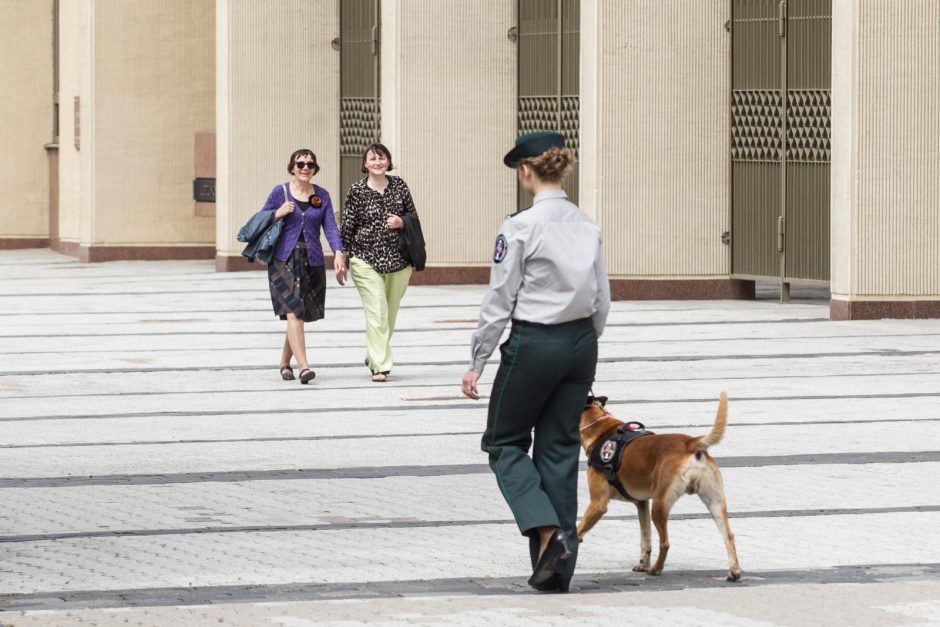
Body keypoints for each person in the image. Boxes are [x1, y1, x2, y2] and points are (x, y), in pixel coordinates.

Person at [461, 131, 611, 593]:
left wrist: (478, 359)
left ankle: (547, 531)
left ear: (526, 171)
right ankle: (556, 574)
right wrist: (583, 342)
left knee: (503, 442)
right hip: (581, 342)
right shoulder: (587, 225)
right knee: (560, 451)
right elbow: (602, 298)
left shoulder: (520, 227)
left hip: (535, 341)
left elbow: (499, 299)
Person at [261, 148, 345, 384]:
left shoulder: (322, 196)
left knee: (297, 313)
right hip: (283, 259)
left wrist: (338, 252)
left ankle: (284, 363)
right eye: (300, 164)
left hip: (312, 259)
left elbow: (330, 227)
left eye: (310, 164)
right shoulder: (281, 192)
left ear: (315, 169)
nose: (305, 168)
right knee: (294, 310)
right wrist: (278, 213)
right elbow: (261, 218)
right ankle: (304, 367)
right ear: (292, 168)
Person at [340, 143, 418, 383]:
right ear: (365, 163)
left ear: (388, 162)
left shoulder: (400, 186)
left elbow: (413, 217)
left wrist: (402, 223)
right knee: (377, 311)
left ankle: (373, 354)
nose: (377, 162)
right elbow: (348, 226)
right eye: (372, 158)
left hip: (399, 261)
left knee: (389, 315)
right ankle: (381, 367)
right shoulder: (356, 190)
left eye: (381, 158)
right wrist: (341, 256)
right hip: (365, 260)